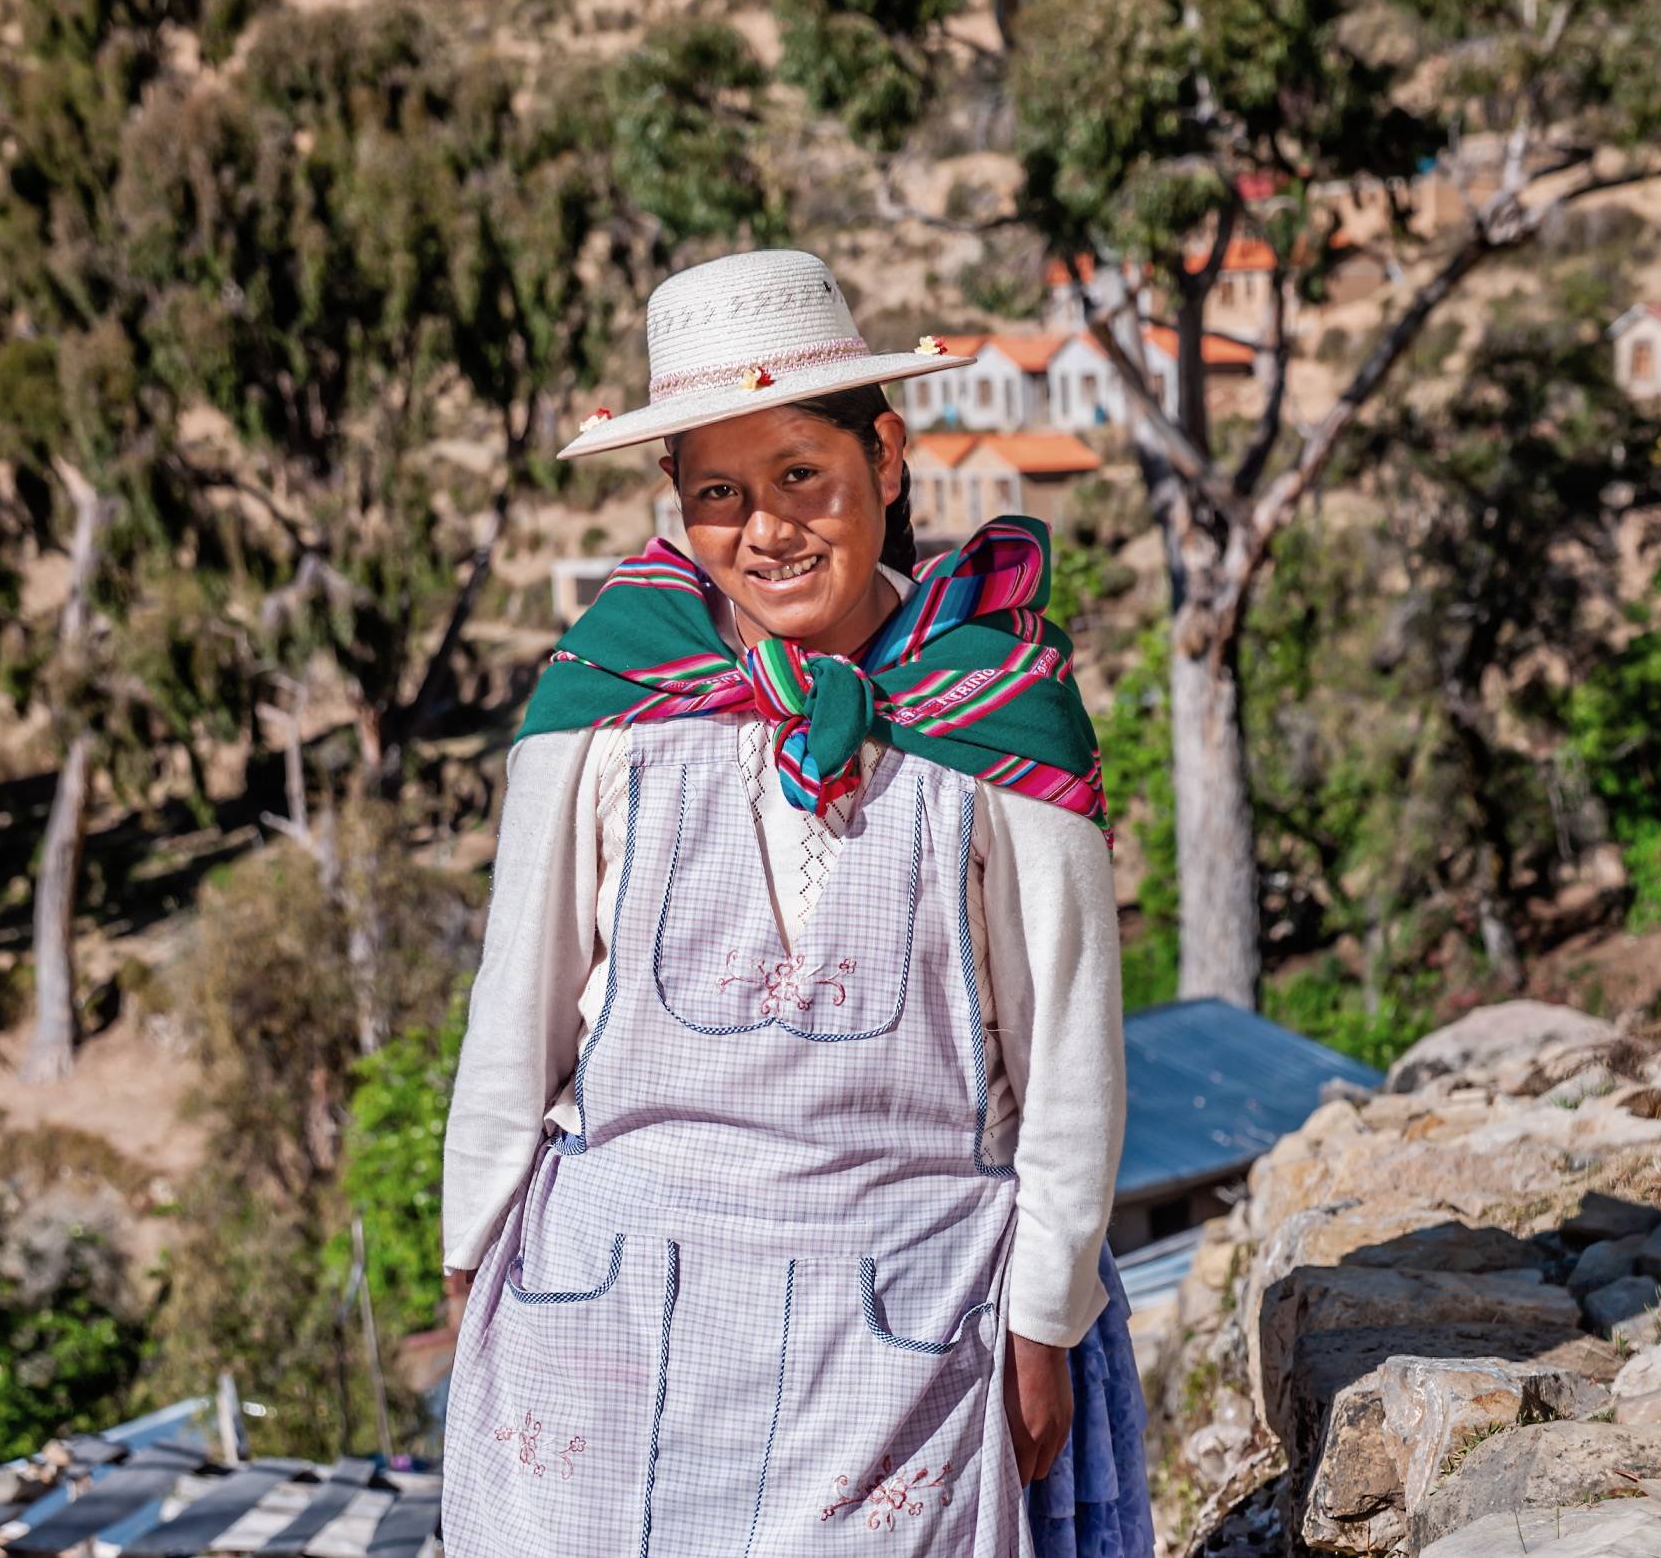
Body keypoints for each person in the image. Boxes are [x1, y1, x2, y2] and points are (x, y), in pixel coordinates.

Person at [438, 248, 1151, 1557]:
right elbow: (517, 998)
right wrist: (473, 1260)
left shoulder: (998, 716)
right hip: (608, 1311)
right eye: (721, 492)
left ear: (885, 459)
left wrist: (1044, 1314)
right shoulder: (608, 696)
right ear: (675, 501)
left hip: (903, 1328)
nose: (766, 529)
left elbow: (1067, 1053)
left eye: (799, 477)